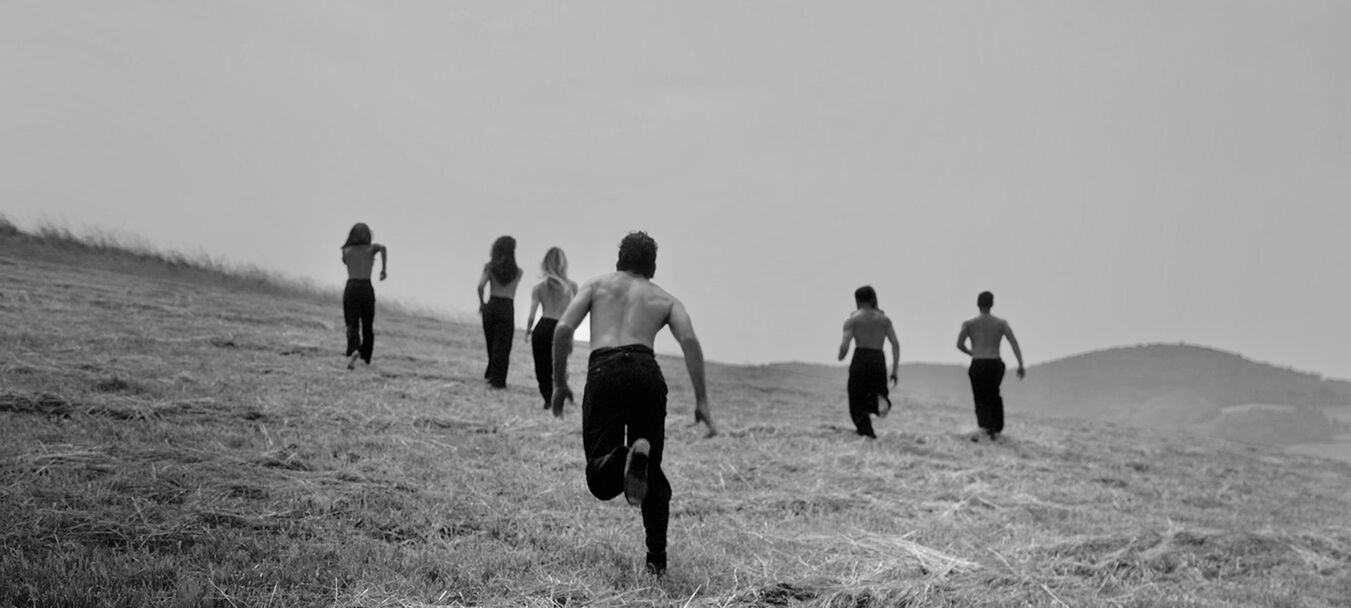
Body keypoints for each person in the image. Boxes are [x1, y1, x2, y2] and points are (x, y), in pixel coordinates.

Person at [550, 231, 717, 577]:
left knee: (600, 478)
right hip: (646, 373)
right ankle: (656, 561)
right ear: (652, 267)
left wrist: (559, 383)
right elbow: (689, 340)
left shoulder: (597, 284)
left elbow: (564, 328)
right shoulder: (666, 299)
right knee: (651, 472)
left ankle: (624, 457)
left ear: (619, 260)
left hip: (605, 371)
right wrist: (701, 400)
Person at [955, 291, 1026, 441]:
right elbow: (1013, 342)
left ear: (978, 304)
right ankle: (996, 428)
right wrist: (1020, 364)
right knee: (994, 394)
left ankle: (984, 427)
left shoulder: (969, 324)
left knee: (980, 396)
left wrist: (971, 352)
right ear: (992, 304)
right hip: (995, 363)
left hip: (978, 363)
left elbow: (959, 344)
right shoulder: (1001, 323)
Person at [837, 285, 900, 438]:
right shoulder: (884, 320)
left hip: (860, 357)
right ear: (873, 299)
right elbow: (895, 344)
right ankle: (880, 402)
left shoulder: (852, 320)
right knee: (877, 392)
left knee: (856, 400)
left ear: (857, 300)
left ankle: (867, 435)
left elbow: (845, 345)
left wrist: (841, 355)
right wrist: (894, 371)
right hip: (878, 358)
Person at [524, 247, 579, 408]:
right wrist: (571, 337)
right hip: (561, 328)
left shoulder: (539, 287)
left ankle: (548, 399)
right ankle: (558, 395)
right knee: (559, 366)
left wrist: (528, 330)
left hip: (543, 328)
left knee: (542, 367)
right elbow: (574, 315)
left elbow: (532, 315)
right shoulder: (572, 287)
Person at [477, 236, 523, 389]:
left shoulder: (489, 267)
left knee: (491, 343)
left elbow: (480, 286)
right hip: (507, 307)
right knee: (503, 345)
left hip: (491, 304)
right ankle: (498, 380)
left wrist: (482, 303)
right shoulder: (518, 272)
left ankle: (490, 373)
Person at [340, 223, 388, 370]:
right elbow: (383, 248)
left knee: (352, 322)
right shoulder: (371, 249)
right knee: (367, 325)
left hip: (352, 286)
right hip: (366, 287)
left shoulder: (346, 250)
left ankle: (354, 348)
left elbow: (345, 261)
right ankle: (365, 357)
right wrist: (383, 269)